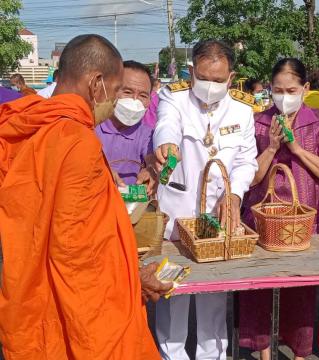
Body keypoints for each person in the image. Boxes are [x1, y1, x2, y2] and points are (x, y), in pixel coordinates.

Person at [0, 34, 171, 360]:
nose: (118, 101)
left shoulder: (28, 123)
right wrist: (131, 282)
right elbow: (78, 254)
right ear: (96, 84)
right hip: (75, 311)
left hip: (26, 287)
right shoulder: (76, 141)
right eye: (118, 89)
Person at [153, 40, 258, 360]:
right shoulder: (175, 99)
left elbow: (247, 161)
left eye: (218, 79)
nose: (211, 86)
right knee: (173, 294)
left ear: (231, 76)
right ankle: (171, 355)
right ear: (190, 72)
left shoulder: (242, 109)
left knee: (214, 295)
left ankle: (212, 355)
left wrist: (235, 194)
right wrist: (166, 144)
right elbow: (165, 126)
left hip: (217, 214)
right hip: (177, 215)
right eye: (204, 77)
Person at [239, 58, 319, 360]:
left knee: (301, 290)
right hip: (262, 216)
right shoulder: (257, 121)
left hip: (305, 218)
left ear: (305, 89)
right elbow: (250, 177)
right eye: (278, 90)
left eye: (292, 89)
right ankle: (263, 351)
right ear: (270, 89)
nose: (285, 96)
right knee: (257, 288)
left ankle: (299, 352)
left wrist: (296, 148)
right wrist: (271, 147)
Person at [95, 60, 157, 195]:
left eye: (143, 95)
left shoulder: (147, 134)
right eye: (127, 92)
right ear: (110, 90)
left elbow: (151, 158)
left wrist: (151, 170)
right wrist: (100, 172)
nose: (134, 100)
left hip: (131, 209)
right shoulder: (90, 127)